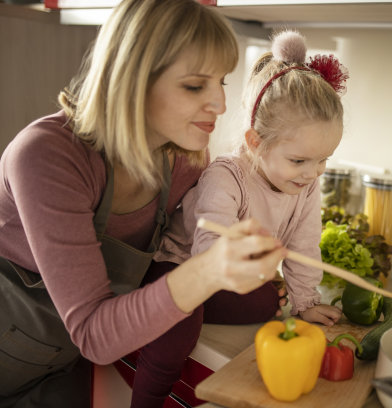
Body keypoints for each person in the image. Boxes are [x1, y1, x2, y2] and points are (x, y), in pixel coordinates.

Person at [0, 1, 287, 407]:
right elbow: (96, 334)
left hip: (66, 364)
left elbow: (159, 275)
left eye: (221, 82)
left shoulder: (186, 160)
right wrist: (208, 270)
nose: (220, 105)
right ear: (131, 79)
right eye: (194, 85)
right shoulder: (47, 156)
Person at [155, 30, 349, 326]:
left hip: (231, 274)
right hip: (182, 266)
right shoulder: (226, 176)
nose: (312, 173)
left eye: (323, 160)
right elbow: (210, 249)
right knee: (254, 304)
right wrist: (256, 267)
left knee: (265, 302)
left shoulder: (305, 184)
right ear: (256, 142)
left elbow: (304, 246)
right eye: (298, 160)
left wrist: (305, 301)